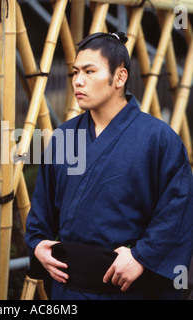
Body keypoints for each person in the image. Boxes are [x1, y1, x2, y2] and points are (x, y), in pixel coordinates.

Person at [24, 32, 193, 300]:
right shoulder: (65, 137)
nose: (78, 81)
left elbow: (177, 211)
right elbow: (42, 208)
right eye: (75, 72)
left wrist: (141, 256)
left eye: (90, 71)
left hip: (126, 289)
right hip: (67, 289)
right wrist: (38, 246)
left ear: (120, 77)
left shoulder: (158, 139)